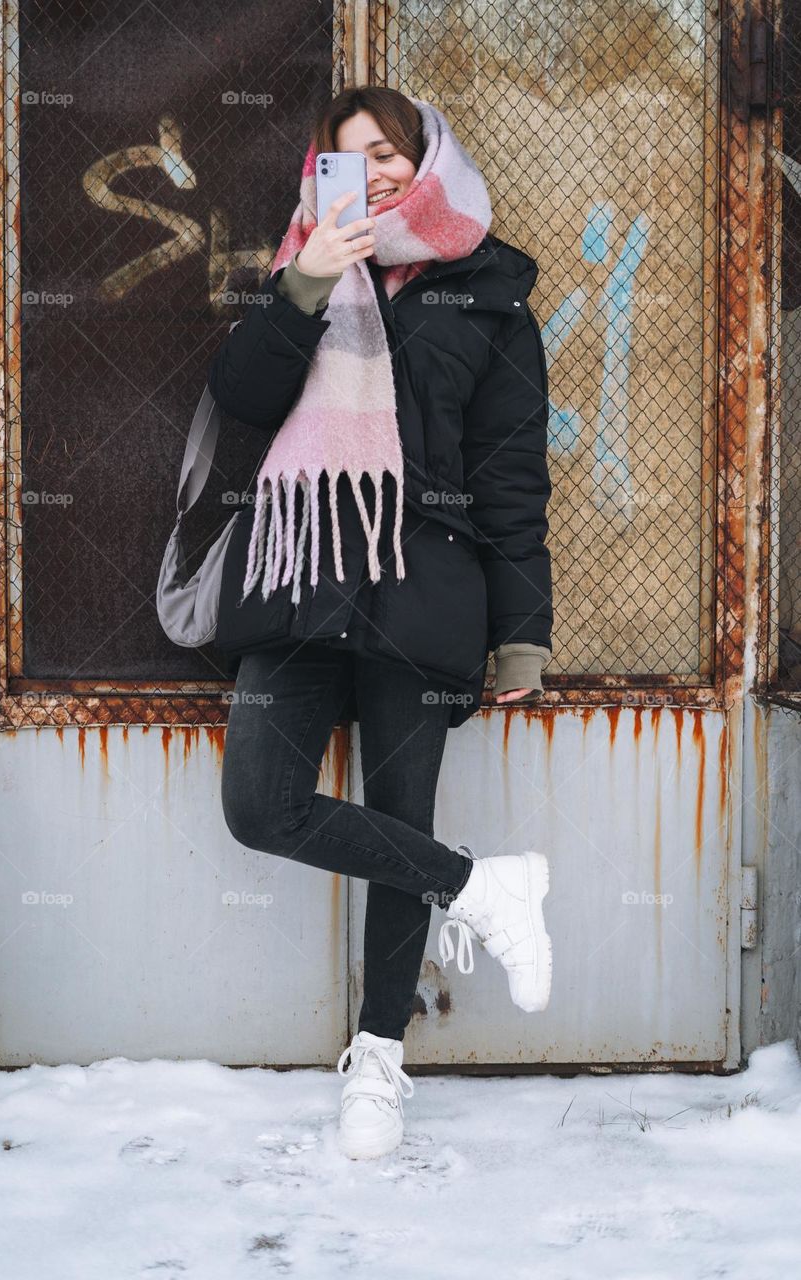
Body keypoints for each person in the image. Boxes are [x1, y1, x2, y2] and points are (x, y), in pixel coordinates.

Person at [208, 86, 554, 1161]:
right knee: (259, 803)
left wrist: (522, 631)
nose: (381, 174)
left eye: (393, 152)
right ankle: (482, 884)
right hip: (301, 590)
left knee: (400, 808)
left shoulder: (489, 289)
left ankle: (379, 1060)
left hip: (423, 591)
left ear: (428, 156)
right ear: (325, 178)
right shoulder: (296, 270)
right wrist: (307, 283)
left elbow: (509, 474)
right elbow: (242, 403)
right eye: (353, 159)